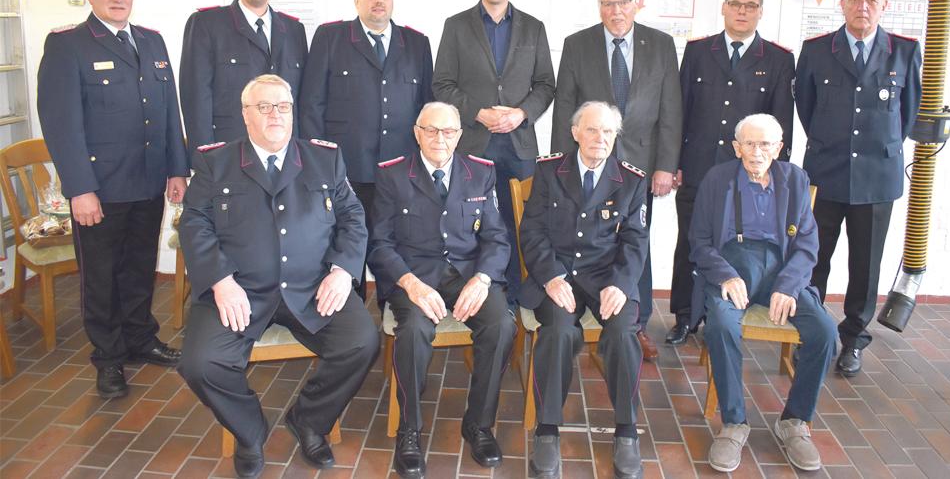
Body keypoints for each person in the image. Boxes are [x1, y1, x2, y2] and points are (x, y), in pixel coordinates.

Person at [177, 75, 379, 478]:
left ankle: (308, 420)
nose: (275, 115)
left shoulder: (325, 158)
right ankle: (249, 431)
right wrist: (220, 280)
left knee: (361, 342)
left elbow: (353, 217)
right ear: (245, 115)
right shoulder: (215, 162)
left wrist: (342, 271)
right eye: (264, 107)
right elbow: (194, 223)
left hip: (312, 286)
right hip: (241, 290)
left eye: (282, 106)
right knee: (200, 363)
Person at [36, 0, 189, 399]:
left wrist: (177, 168)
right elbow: (61, 125)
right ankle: (107, 358)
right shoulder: (68, 45)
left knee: (139, 267)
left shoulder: (152, 41)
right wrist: (79, 188)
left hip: (147, 182)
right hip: (99, 189)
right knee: (100, 277)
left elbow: (168, 110)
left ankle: (140, 339)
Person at [368, 101, 515, 477]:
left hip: (468, 274)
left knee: (501, 325)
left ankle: (479, 425)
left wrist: (482, 280)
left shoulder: (480, 173)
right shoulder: (393, 175)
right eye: (431, 130)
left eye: (448, 131)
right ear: (417, 132)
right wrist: (410, 284)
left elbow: (498, 239)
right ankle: (409, 431)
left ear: (460, 135)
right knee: (415, 331)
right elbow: (379, 244)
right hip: (414, 278)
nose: (440, 138)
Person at [689, 114, 837, 472]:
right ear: (737, 148)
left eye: (766, 144)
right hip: (732, 267)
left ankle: (795, 421)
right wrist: (725, 275)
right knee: (722, 327)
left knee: (825, 331)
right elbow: (699, 241)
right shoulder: (717, 179)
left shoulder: (796, 180)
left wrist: (788, 285)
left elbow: (806, 244)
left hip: (782, 270)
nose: (757, 152)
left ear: (779, 148)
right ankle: (734, 423)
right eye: (750, 144)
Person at [795, 0, 922, 376]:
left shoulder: (904, 51)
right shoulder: (815, 50)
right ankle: (812, 334)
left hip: (875, 177)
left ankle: (853, 338)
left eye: (871, 0)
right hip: (825, 171)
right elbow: (807, 109)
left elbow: (907, 115)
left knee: (866, 266)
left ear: (884, 6)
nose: (862, 7)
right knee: (814, 260)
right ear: (842, 3)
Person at [550, 0, 682, 360]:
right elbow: (564, 110)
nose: (616, 11)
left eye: (623, 2)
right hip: (589, 160)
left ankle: (634, 324)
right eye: (608, 4)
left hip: (641, 164)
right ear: (599, 7)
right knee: (587, 238)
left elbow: (670, 109)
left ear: (637, 4)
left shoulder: (660, 44)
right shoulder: (578, 45)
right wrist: (563, 165)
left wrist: (665, 166)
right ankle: (584, 312)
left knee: (635, 243)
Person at [521, 101, 648, 479]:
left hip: (606, 277)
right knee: (559, 330)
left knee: (625, 331)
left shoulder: (632, 179)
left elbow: (637, 241)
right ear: (575, 132)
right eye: (592, 130)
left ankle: (626, 431)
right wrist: (550, 277)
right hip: (558, 274)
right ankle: (547, 429)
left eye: (608, 132)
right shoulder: (548, 170)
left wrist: (622, 285)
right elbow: (532, 231)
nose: (600, 139)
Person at [667, 0, 795, 345]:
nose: (742, 11)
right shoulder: (696, 51)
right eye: (736, 4)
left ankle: (721, 313)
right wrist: (675, 162)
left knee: (734, 245)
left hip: (748, 175)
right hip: (698, 167)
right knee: (690, 242)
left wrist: (775, 175)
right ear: (723, 7)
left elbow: (781, 122)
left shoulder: (778, 59)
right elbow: (681, 110)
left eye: (750, 6)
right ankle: (684, 315)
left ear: (760, 12)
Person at [433, 0, 555, 308]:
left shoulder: (533, 27)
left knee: (523, 224)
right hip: (474, 142)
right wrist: (478, 113)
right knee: (473, 223)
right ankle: (481, 295)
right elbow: (442, 84)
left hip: (519, 144)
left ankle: (520, 296)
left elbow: (546, 84)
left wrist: (520, 114)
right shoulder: (456, 26)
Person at [300, 0, 434, 301]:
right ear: (356, 1)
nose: (378, 1)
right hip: (346, 166)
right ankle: (352, 309)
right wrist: (317, 161)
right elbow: (311, 103)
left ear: (393, 1)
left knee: (395, 240)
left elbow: (427, 106)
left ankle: (396, 304)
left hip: (400, 167)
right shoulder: (331, 37)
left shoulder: (416, 43)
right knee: (347, 238)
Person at [180, 0, 308, 154]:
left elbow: (302, 98)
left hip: (284, 150)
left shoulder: (294, 30)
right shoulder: (207, 24)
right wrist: (204, 156)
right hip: (230, 149)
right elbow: (195, 95)